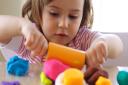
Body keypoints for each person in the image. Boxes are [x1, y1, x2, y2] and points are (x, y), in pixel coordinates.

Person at [0, 0, 123, 67]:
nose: (64, 24)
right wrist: (23, 26)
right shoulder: (32, 39)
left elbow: (118, 45)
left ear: (82, 16)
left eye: (73, 16)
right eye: (54, 13)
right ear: (39, 12)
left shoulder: (82, 38)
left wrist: (103, 43)